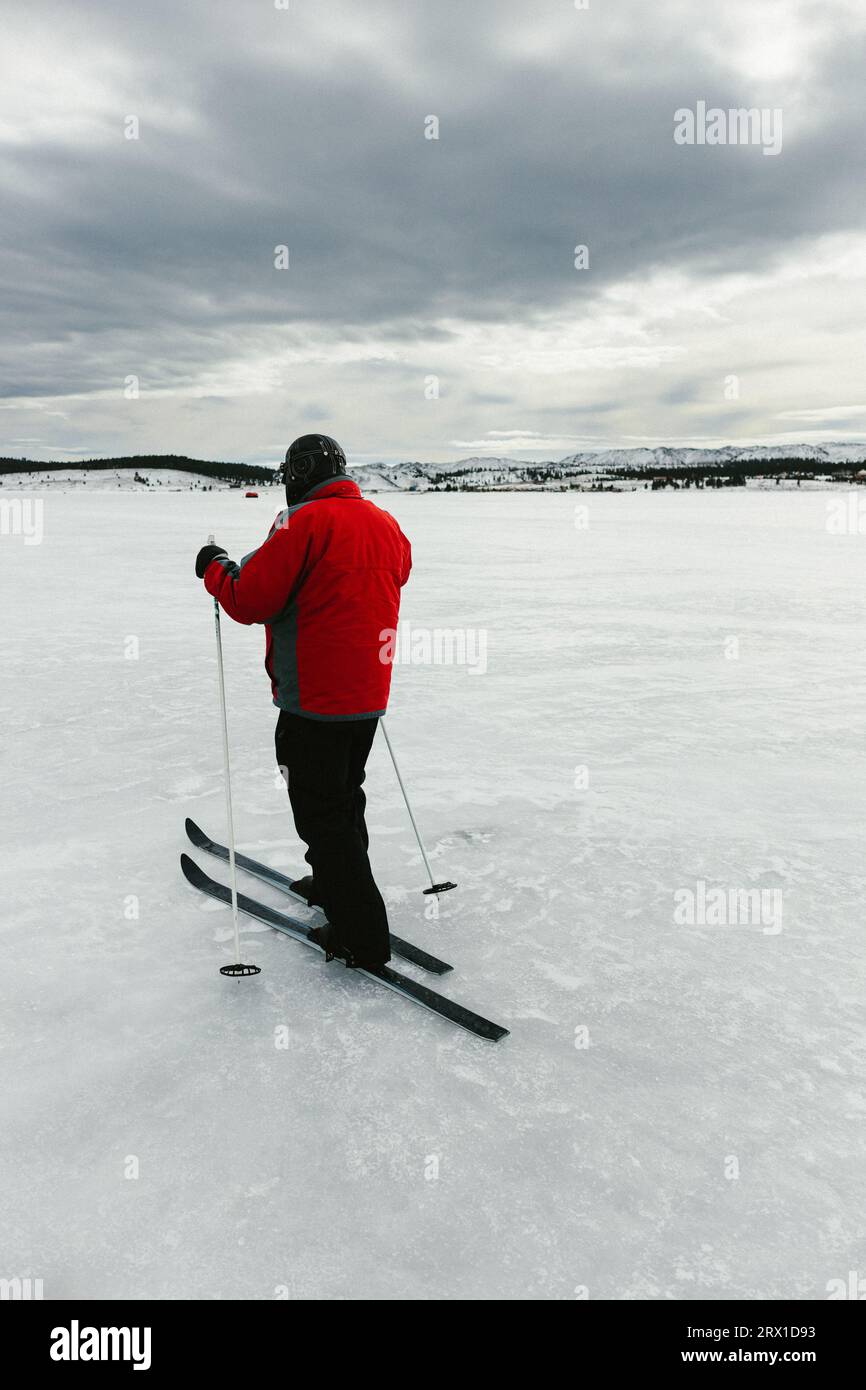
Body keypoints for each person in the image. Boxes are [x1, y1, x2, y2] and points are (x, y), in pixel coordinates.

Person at [195, 434, 411, 970]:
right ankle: (336, 885)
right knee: (342, 798)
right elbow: (398, 571)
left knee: (322, 813)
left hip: (313, 701)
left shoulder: (302, 522)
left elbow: (252, 599)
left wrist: (215, 568)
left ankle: (361, 935)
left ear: (300, 472)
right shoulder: (383, 522)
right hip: (366, 696)